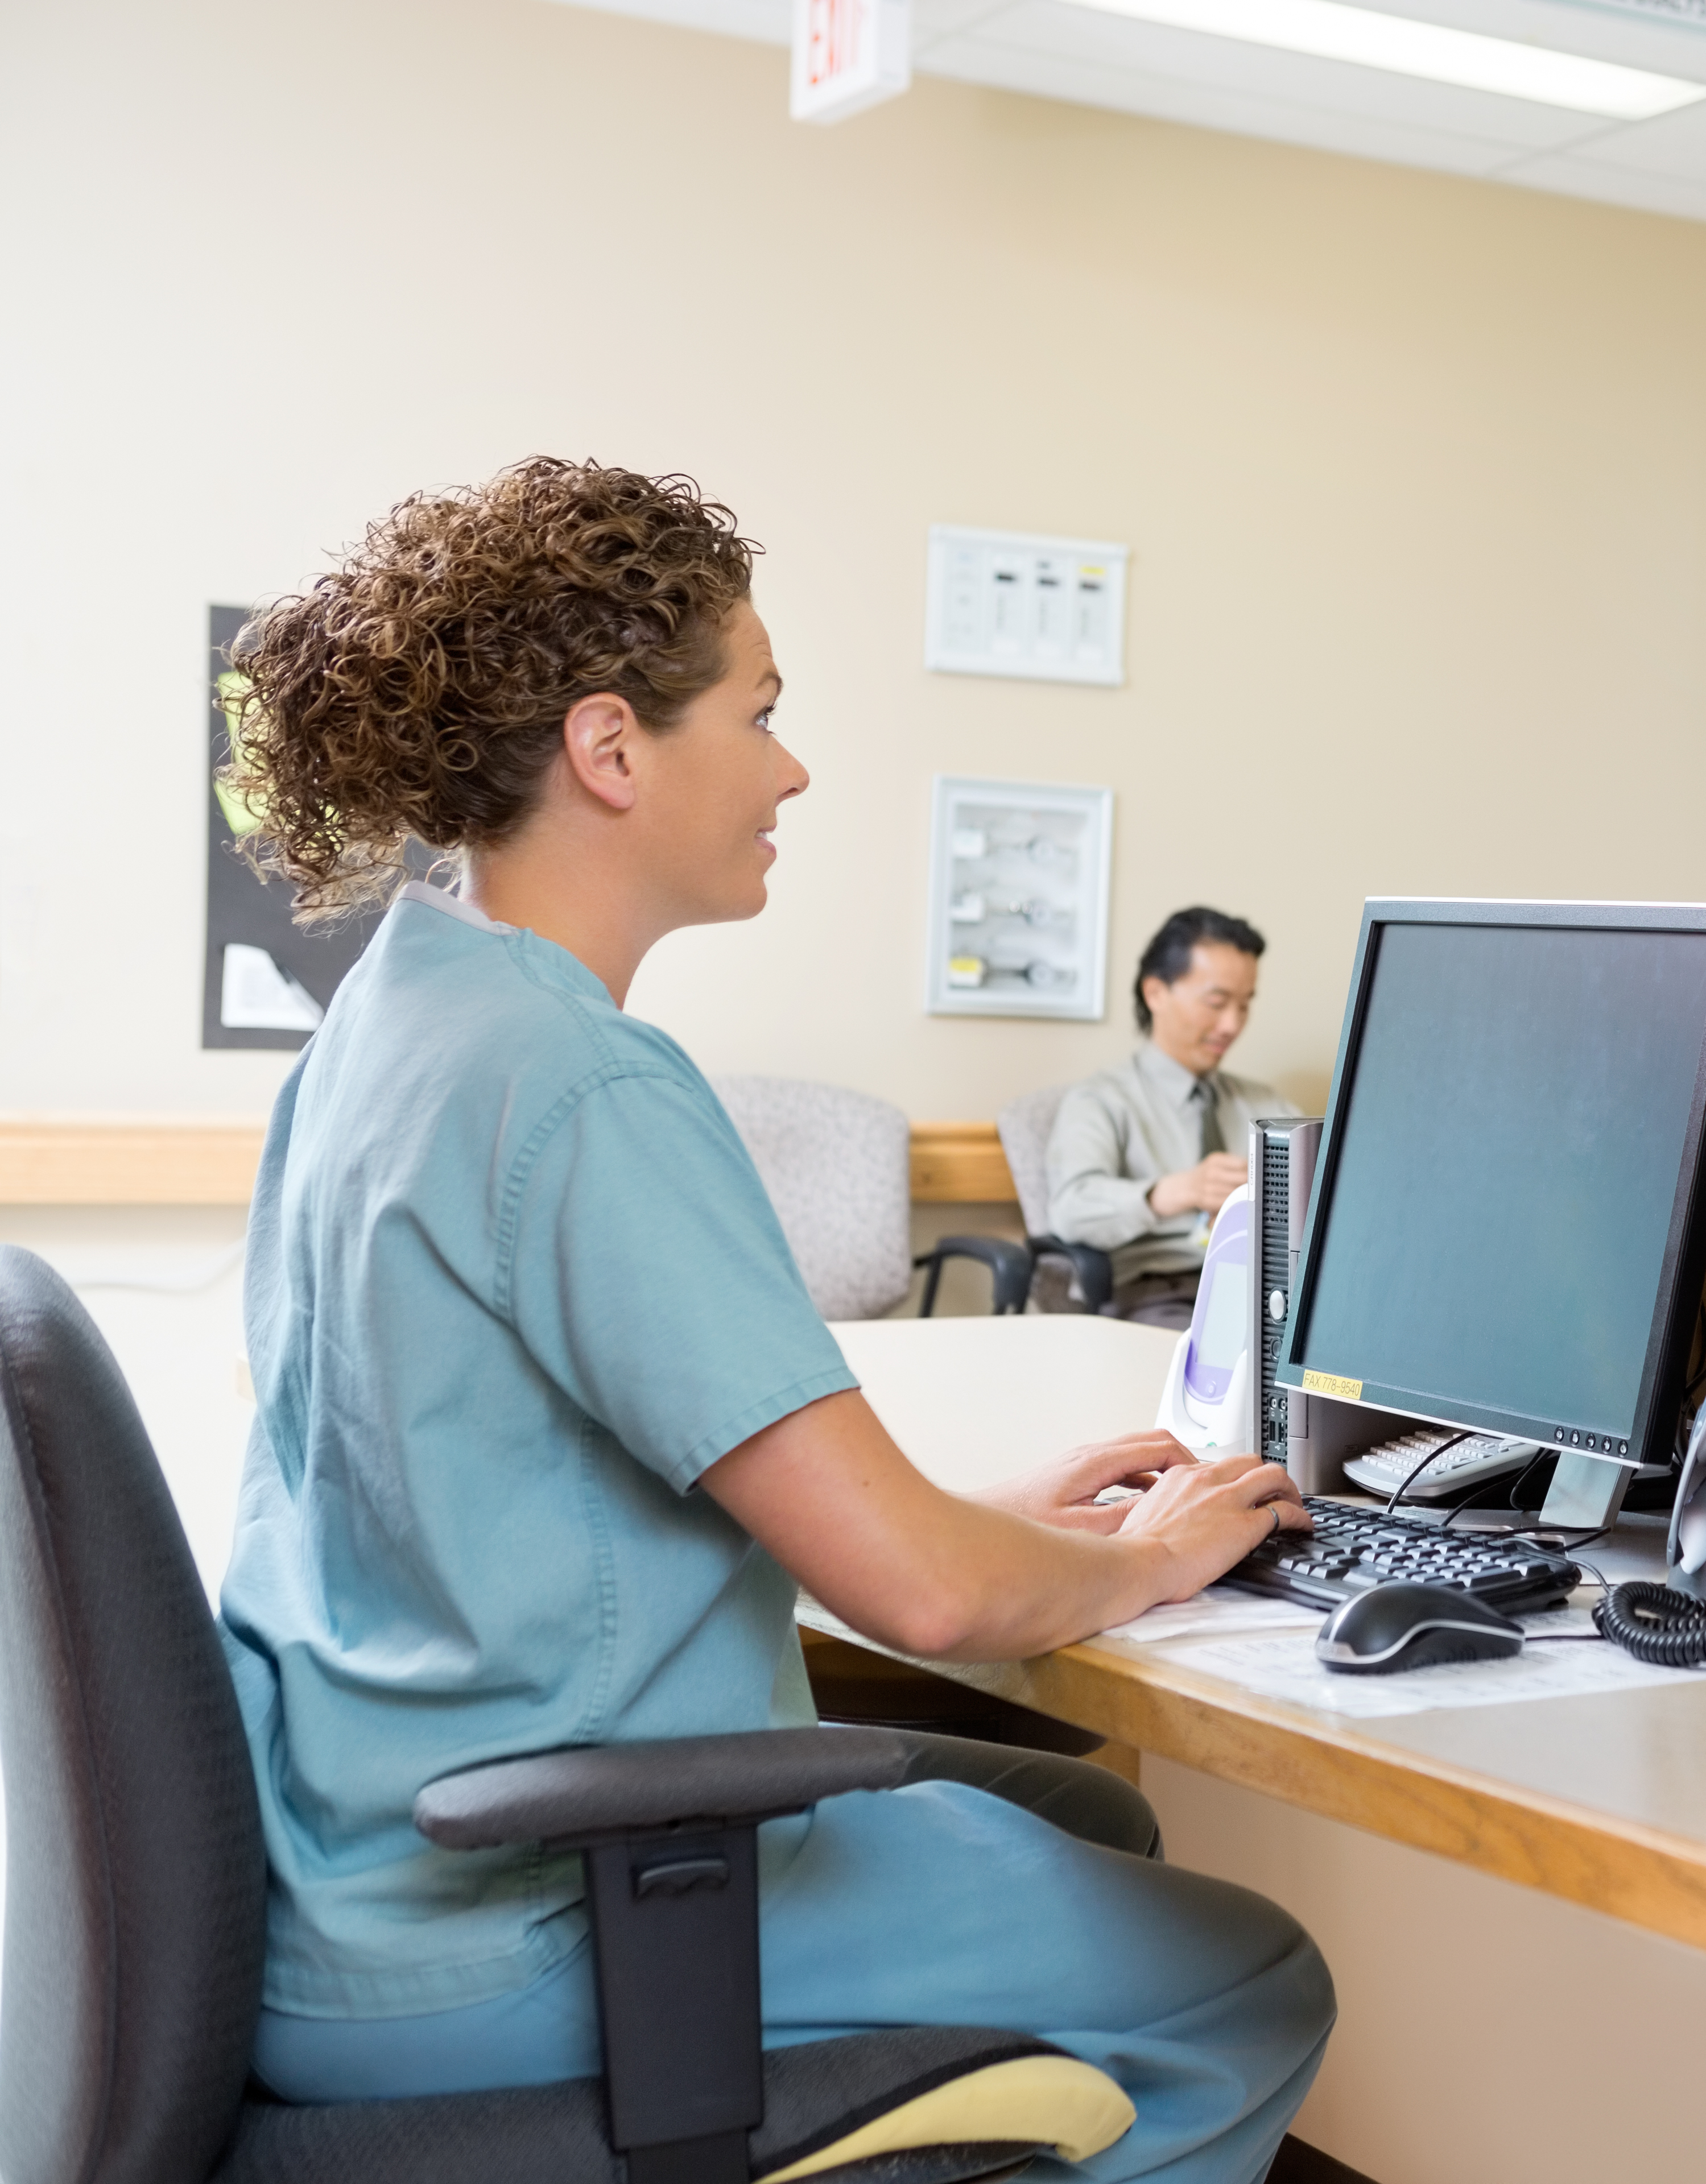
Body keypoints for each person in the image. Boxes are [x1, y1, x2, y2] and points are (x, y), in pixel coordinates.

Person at [216, 458, 1329, 2181]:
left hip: (353, 1858)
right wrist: (1149, 1556)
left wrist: (999, 1523)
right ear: (611, 749)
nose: (794, 766)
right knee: (1246, 1971)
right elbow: (928, 1595)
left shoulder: (389, 1021)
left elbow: (545, 1498)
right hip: (532, 1914)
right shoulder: (577, 1082)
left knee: (1092, 1810)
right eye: (762, 710)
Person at [1046, 909, 1282, 1329]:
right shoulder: (1101, 1100)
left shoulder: (1267, 1106)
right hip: (1165, 1295)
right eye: (1217, 1003)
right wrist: (1170, 1193)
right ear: (1156, 993)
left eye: (1244, 1006)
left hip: (1270, 1295)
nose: (1232, 1025)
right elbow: (1070, 1209)